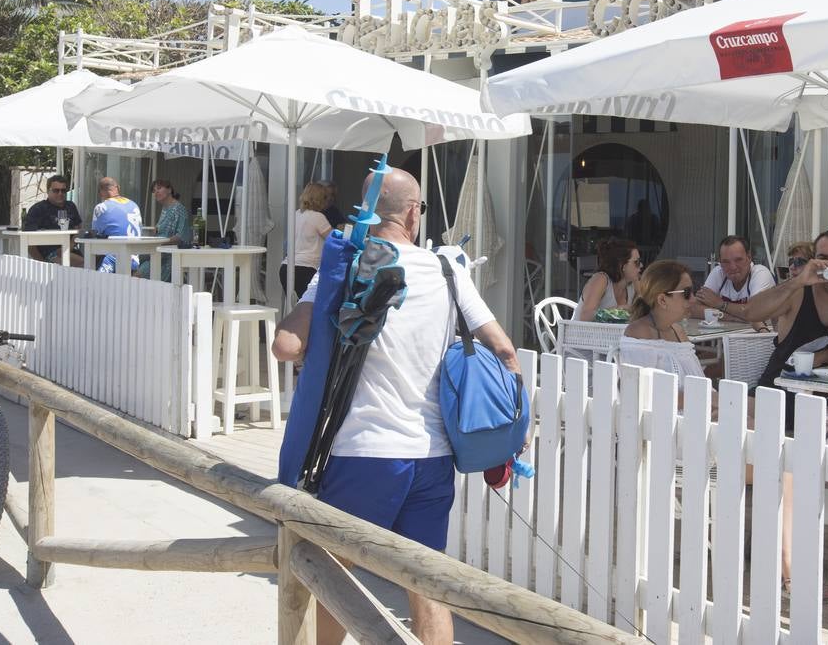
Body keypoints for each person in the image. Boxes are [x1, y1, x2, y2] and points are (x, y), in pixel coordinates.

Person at [272, 168, 518, 645]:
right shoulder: (448, 271)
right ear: (411, 212)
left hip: (363, 451)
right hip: (433, 455)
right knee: (427, 585)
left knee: (332, 574)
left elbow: (285, 345)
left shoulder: (345, 267)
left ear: (366, 213)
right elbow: (505, 352)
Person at [699, 228, 828, 387]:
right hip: (779, 391)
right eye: (823, 257)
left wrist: (823, 356)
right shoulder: (798, 292)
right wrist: (797, 281)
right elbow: (751, 312)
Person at [619, 260, 706, 393]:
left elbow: (698, 381)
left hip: (696, 409)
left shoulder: (678, 331)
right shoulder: (640, 333)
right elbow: (641, 394)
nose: (693, 299)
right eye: (687, 293)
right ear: (662, 300)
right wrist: (710, 401)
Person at [691, 235, 777, 318]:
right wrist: (732, 317)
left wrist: (719, 304)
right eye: (726, 262)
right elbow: (693, 308)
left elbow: (754, 311)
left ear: (749, 258)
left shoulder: (761, 273)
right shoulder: (718, 272)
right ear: (720, 262)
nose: (733, 267)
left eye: (738, 260)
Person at [280, 182, 333, 301]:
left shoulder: (296, 214)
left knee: (295, 309)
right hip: (306, 269)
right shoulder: (318, 217)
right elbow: (333, 239)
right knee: (309, 310)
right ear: (321, 199)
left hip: (287, 267)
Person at [136, 178, 192, 281]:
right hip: (157, 251)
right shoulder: (165, 208)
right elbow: (163, 230)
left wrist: (159, 242)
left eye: (159, 188)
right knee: (133, 264)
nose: (156, 192)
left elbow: (182, 236)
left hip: (168, 255)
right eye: (154, 190)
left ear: (169, 190)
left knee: (138, 274)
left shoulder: (179, 209)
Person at [22, 174, 83, 266]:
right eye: (56, 190)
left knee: (96, 261)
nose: (60, 193)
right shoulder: (38, 209)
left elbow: (78, 230)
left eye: (63, 190)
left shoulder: (70, 206)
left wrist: (66, 248)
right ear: (48, 191)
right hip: (49, 254)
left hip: (70, 250)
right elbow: (29, 241)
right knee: (84, 264)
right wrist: (42, 264)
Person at [575, 237, 640, 321]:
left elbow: (645, 308)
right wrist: (616, 312)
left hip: (613, 333)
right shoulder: (601, 279)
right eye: (636, 262)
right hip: (582, 333)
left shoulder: (633, 283)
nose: (641, 265)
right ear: (622, 265)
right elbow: (585, 316)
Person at [91, 177, 143, 273]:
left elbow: (95, 237)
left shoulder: (101, 207)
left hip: (114, 259)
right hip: (134, 260)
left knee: (94, 280)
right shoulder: (134, 205)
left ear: (101, 192)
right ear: (118, 188)